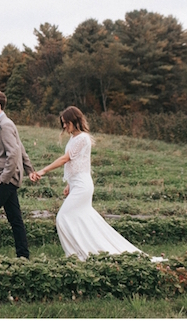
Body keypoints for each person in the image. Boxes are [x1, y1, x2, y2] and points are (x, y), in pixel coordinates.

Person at [30, 106, 149, 261]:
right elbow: (80, 163)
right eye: (63, 123)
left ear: (74, 121)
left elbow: (66, 159)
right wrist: (69, 184)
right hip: (77, 184)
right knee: (81, 220)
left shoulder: (82, 138)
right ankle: (82, 253)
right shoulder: (74, 138)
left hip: (82, 186)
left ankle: (77, 255)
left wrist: (43, 171)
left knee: (63, 218)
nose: (64, 126)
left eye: (66, 122)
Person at [0, 91, 36, 259]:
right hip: (7, 177)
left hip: (6, 179)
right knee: (15, 218)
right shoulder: (2, 124)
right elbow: (21, 147)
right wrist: (30, 170)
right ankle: (23, 255)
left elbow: (14, 152)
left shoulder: (5, 125)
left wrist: (3, 179)